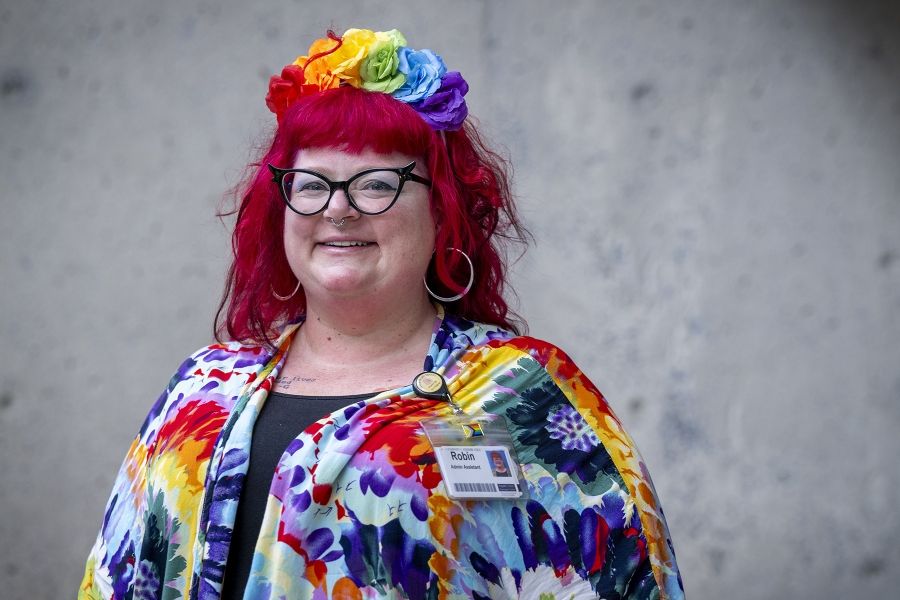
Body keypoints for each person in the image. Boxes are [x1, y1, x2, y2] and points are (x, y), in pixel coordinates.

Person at [79, 27, 684, 599]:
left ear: (444, 210)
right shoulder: (200, 390)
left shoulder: (518, 395)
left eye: (376, 183)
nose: (338, 209)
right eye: (311, 183)